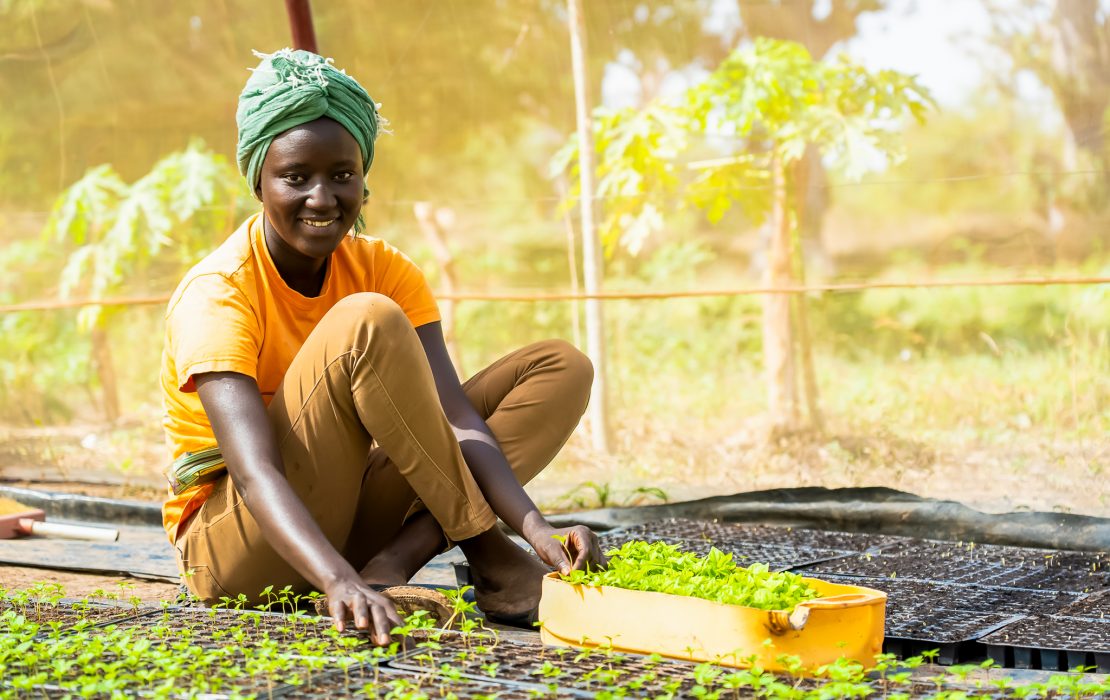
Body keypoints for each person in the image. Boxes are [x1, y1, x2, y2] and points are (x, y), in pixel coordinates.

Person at [160, 49, 604, 644]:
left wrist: (534, 527)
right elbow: (253, 470)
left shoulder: (382, 267)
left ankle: (393, 563)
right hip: (240, 546)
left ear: (364, 180)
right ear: (259, 183)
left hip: (343, 519)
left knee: (560, 368)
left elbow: (456, 420)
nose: (322, 199)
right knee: (366, 319)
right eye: (296, 178)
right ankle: (482, 558)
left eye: (342, 175)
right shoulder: (219, 292)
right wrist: (338, 581)